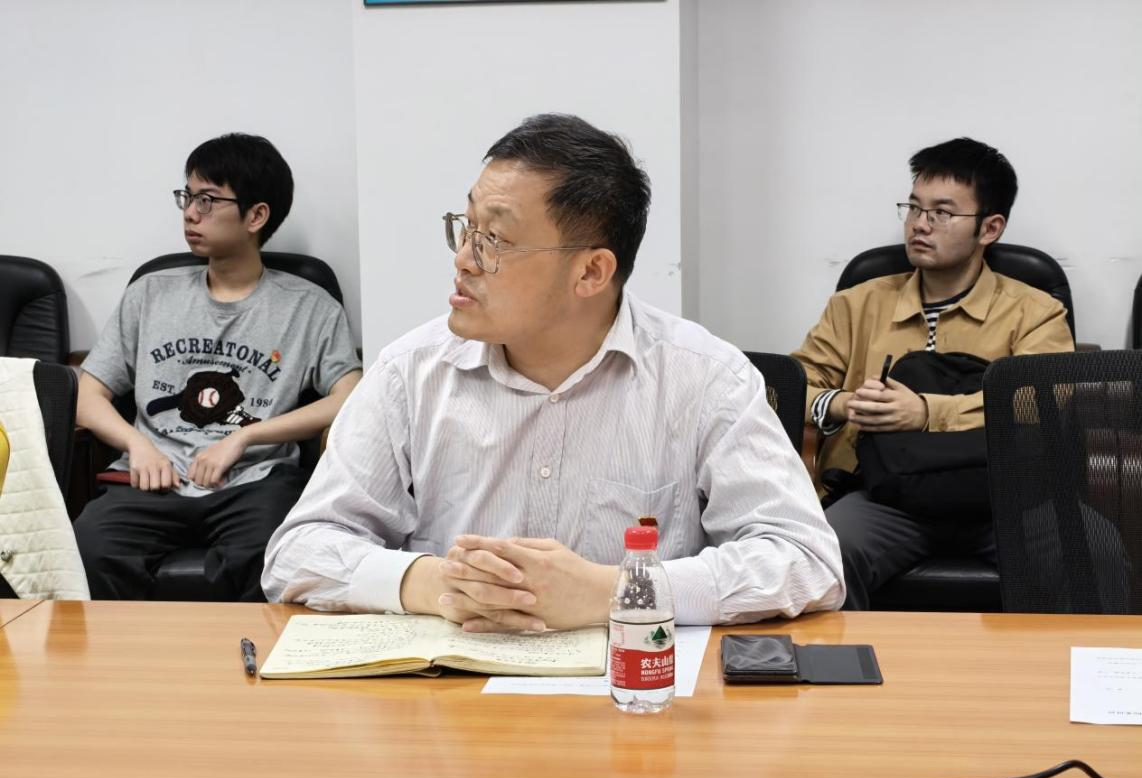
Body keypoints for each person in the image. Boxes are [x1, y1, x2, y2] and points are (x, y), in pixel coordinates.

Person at [263, 113, 843, 630]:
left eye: (494, 239)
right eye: (467, 227)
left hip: (631, 693)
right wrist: (436, 583)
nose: (463, 259)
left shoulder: (705, 377)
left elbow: (805, 560)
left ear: (590, 273)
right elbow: (297, 551)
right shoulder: (409, 371)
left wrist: (615, 591)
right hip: (453, 693)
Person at [74, 133, 362, 600]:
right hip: (152, 479)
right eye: (187, 197)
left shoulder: (309, 306)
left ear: (256, 216)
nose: (190, 213)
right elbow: (88, 397)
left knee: (274, 557)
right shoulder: (150, 294)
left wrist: (244, 437)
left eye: (207, 200)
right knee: (90, 548)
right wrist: (137, 445)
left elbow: (350, 397)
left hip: (254, 482)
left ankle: (245, 650)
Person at [791, 137, 1074, 609]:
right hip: (886, 497)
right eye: (914, 208)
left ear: (990, 228)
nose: (920, 224)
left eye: (942, 212)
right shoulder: (857, 304)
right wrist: (841, 404)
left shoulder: (1035, 311)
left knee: (1090, 553)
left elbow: (1040, 402)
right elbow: (787, 387)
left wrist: (925, 412)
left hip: (1004, 496)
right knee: (821, 555)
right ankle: (846, 660)